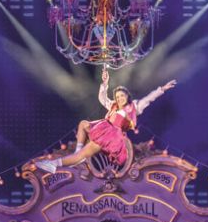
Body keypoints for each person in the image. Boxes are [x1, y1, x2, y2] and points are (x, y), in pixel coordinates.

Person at [35, 67, 176, 173]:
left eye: (122, 96)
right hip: (103, 128)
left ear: (127, 96)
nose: (119, 98)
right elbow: (102, 98)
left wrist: (162, 89)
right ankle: (77, 155)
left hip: (111, 137)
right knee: (83, 124)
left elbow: (149, 99)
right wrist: (105, 83)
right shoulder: (113, 106)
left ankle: (55, 164)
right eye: (117, 96)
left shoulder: (134, 107)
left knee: (82, 154)